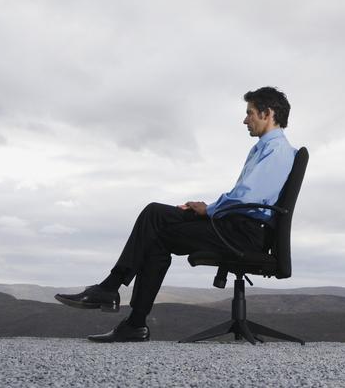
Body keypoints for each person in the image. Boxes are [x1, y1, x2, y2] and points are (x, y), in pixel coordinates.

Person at [55, 86, 297, 342]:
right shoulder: (262, 149)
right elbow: (246, 196)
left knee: (156, 227)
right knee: (155, 217)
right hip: (234, 224)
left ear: (267, 113)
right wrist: (206, 210)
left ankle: (117, 299)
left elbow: (248, 197)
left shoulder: (277, 150)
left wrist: (209, 209)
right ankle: (124, 309)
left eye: (249, 113)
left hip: (243, 233)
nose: (245, 119)